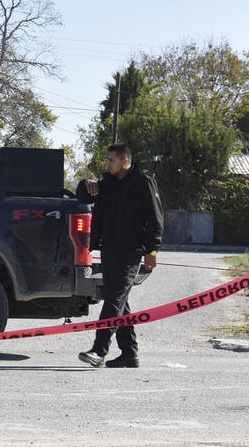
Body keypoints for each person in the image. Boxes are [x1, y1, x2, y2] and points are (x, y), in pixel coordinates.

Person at [77, 143, 164, 368]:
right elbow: (84, 197)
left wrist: (152, 250)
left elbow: (156, 220)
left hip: (130, 252)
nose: (107, 164)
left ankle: (99, 350)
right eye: (107, 160)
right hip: (109, 250)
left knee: (115, 298)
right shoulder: (108, 183)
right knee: (119, 300)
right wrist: (86, 183)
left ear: (125, 161)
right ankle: (129, 353)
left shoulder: (143, 183)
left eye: (111, 160)